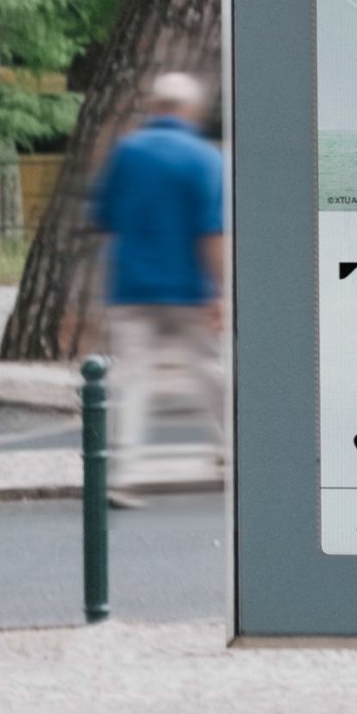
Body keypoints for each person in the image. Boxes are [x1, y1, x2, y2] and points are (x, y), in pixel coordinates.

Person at [90, 70, 225, 501]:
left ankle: (124, 474)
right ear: (192, 110)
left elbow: (104, 218)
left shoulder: (127, 153)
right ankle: (228, 451)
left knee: (133, 380)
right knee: (210, 370)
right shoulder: (205, 158)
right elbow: (211, 230)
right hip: (188, 287)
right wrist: (219, 291)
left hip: (131, 286)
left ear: (154, 107)